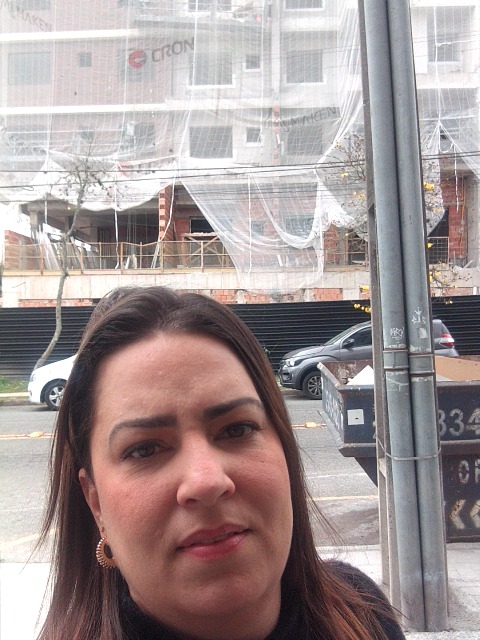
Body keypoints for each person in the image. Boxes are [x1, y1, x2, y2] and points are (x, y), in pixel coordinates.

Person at [37, 285, 405, 640]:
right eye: (144, 449)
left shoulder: (363, 614)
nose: (207, 481)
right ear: (95, 502)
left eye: (236, 429)